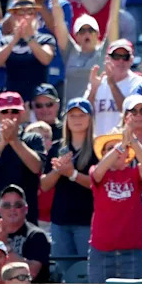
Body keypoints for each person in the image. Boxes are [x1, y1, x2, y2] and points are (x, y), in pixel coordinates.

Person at [88, 125, 142, 282]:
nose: (117, 152)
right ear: (103, 154)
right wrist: (121, 145)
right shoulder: (98, 172)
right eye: (110, 149)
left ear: (128, 154)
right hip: (101, 250)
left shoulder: (134, 174)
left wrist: (133, 141)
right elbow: (97, 172)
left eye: (122, 148)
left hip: (132, 249)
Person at [0, 92, 45, 226]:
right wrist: (1, 144)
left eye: (15, 111)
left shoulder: (33, 139)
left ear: (22, 113)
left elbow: (36, 167)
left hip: (26, 222)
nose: (10, 115)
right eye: (5, 111)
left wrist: (14, 141)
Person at [41, 97, 96, 265]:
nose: (77, 120)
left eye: (82, 115)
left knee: (86, 271)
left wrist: (72, 174)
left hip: (87, 220)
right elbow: (44, 185)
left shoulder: (98, 148)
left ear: (90, 119)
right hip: (60, 220)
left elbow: (98, 183)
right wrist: (59, 170)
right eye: (72, 116)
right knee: (64, 270)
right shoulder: (57, 148)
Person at [0, 184, 52, 283]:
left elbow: (32, 273)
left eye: (18, 205)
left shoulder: (37, 235)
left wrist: (5, 246)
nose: (12, 209)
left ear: (26, 209)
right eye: (7, 205)